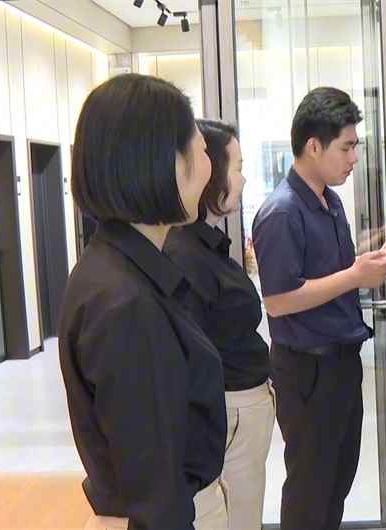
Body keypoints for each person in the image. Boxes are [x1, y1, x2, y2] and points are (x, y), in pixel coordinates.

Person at [59, 73, 228, 530]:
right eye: (202, 151)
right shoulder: (124, 301)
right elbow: (155, 488)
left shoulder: (120, 268)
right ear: (162, 162)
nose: (209, 169)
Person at [252, 86, 386, 530]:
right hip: (308, 371)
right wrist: (357, 275)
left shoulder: (330, 200)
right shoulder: (282, 212)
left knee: (336, 481)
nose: (354, 158)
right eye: (346, 147)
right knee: (311, 489)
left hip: (341, 363)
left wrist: (373, 257)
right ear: (313, 146)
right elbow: (279, 300)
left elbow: (332, 271)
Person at [164, 119, 274, 530]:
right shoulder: (184, 254)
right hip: (230, 411)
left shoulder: (207, 245)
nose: (242, 179)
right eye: (237, 167)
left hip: (244, 407)